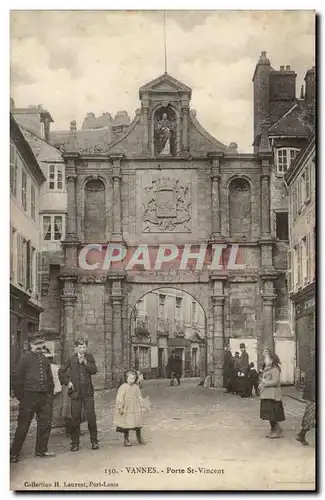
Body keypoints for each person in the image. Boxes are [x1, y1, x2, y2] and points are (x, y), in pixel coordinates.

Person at [10, 336, 55, 463]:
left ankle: (41, 450)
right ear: (31, 345)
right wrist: (21, 397)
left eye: (42, 344)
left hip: (44, 397)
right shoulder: (24, 359)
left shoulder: (45, 360)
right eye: (37, 345)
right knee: (23, 426)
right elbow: (17, 378)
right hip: (28, 397)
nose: (40, 348)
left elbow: (50, 378)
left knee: (45, 424)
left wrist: (49, 394)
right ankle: (14, 453)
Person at [58, 337, 99, 452]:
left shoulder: (89, 357)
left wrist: (85, 362)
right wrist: (67, 382)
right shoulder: (71, 358)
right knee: (75, 418)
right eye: (80, 347)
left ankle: (94, 441)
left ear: (87, 347)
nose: (82, 349)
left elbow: (94, 370)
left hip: (88, 393)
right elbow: (61, 371)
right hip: (75, 393)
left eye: (84, 347)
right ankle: (75, 443)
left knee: (91, 417)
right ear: (76, 348)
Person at [114, 370, 149, 447]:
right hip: (127, 409)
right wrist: (120, 407)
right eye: (130, 378)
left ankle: (139, 437)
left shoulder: (136, 387)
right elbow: (120, 398)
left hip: (135, 408)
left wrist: (142, 402)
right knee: (126, 424)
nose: (132, 380)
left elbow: (139, 395)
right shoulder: (123, 387)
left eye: (134, 379)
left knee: (138, 423)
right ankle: (126, 439)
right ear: (126, 378)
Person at [259, 350, 285, 438]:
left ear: (272, 360)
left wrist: (264, 382)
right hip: (267, 395)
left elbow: (275, 382)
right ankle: (273, 429)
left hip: (273, 396)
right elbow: (264, 379)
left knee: (272, 415)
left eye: (266, 358)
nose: (265, 360)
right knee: (268, 414)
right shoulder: (267, 369)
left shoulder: (275, 369)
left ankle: (277, 429)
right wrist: (261, 384)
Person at [297, 352, 316, 446]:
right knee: (310, 414)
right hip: (314, 392)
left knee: (311, 414)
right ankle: (302, 434)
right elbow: (310, 376)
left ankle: (302, 434)